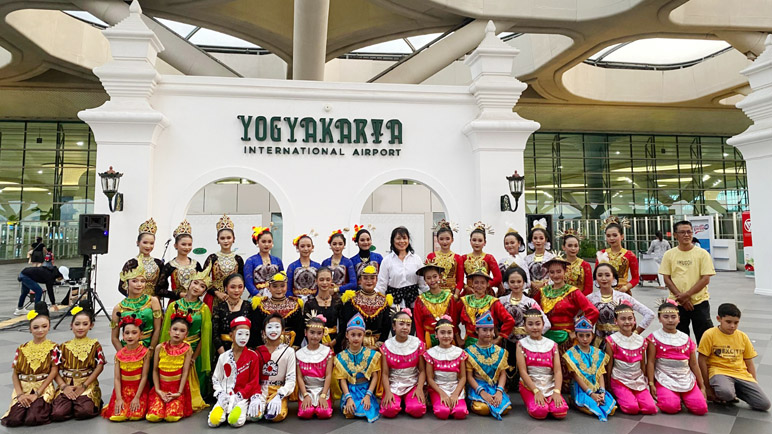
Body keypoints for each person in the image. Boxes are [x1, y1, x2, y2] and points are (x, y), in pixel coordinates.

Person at [698, 303, 771, 411]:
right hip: (719, 372)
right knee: (726, 393)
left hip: (741, 374)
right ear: (719, 319)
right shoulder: (709, 334)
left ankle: (731, 391)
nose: (732, 326)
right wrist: (706, 387)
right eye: (728, 322)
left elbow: (749, 361)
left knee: (764, 404)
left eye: (736, 323)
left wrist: (754, 383)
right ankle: (726, 391)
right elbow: (701, 360)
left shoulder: (742, 336)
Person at [160, 266, 212, 411]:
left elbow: (204, 336)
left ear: (204, 291)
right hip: (173, 349)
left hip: (194, 348)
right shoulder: (174, 306)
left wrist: (194, 357)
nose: (197, 287)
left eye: (202, 286)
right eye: (195, 283)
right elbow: (166, 332)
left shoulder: (204, 309)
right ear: (188, 284)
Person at [1, 303, 60, 427]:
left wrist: (37, 393)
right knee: (13, 420)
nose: (40, 330)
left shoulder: (54, 347)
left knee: (33, 418)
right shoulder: (22, 348)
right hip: (24, 387)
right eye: (36, 327)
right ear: (30, 329)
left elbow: (54, 371)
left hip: (42, 388)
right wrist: (20, 394)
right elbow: (15, 374)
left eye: (44, 326)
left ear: (49, 327)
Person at [646, 299, 708, 415]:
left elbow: (693, 364)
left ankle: (684, 396)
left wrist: (702, 385)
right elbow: (650, 362)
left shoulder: (685, 338)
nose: (670, 320)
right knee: (670, 407)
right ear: (659, 319)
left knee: (701, 409)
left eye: (673, 317)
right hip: (665, 377)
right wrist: (651, 383)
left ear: (679, 318)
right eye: (666, 317)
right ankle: (673, 397)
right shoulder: (654, 338)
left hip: (685, 378)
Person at [659, 220, 715, 344]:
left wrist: (687, 295)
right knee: (678, 338)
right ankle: (683, 362)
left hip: (700, 302)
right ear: (675, 235)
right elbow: (667, 278)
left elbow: (705, 278)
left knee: (705, 338)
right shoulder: (669, 254)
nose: (686, 235)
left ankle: (704, 363)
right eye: (682, 232)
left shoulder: (702, 254)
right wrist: (681, 299)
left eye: (689, 232)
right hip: (677, 303)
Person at [51, 301, 105, 421]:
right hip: (67, 384)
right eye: (77, 324)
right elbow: (55, 370)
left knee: (84, 412)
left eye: (85, 324)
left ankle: (85, 402)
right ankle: (72, 403)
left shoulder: (95, 345)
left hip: (87, 383)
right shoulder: (63, 346)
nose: (81, 327)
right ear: (71, 325)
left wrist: (84, 386)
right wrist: (63, 386)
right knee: (58, 414)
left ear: (91, 325)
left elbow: (99, 366)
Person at [208, 316, 265, 427]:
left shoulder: (253, 356)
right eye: (240, 334)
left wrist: (239, 396)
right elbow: (216, 379)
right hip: (225, 396)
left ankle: (245, 411)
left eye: (247, 334)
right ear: (231, 335)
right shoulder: (224, 357)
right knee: (213, 422)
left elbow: (253, 382)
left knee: (234, 421)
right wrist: (220, 394)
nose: (243, 338)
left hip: (241, 398)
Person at [498, 267, 550, 384]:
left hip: (526, 343)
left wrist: (533, 334)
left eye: (519, 281)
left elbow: (546, 323)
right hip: (506, 342)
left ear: (525, 283)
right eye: (512, 282)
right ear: (506, 283)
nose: (516, 285)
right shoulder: (501, 301)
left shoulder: (530, 302)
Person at [587, 261, 655, 349]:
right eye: (600, 275)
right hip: (597, 343)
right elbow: (576, 316)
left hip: (621, 341)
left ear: (614, 278)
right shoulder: (590, 298)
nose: (603, 278)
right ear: (595, 279)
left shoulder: (623, 297)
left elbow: (650, 314)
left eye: (607, 275)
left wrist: (635, 333)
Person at [605, 303, 657, 415]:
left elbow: (643, 363)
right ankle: (624, 397)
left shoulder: (641, 341)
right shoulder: (612, 340)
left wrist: (646, 381)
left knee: (651, 408)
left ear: (634, 320)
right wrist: (608, 385)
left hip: (637, 379)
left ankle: (634, 396)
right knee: (631, 408)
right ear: (616, 321)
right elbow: (609, 365)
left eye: (630, 318)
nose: (627, 322)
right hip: (619, 379)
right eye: (623, 319)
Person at [516, 308, 568, 420]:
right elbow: (523, 372)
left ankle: (548, 402)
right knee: (540, 412)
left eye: (538, 324)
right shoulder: (521, 344)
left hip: (550, 384)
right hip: (530, 385)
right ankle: (533, 402)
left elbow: (558, 371)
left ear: (543, 324)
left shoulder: (552, 344)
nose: (534, 327)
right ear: (524, 326)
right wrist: (536, 391)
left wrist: (557, 391)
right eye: (530, 324)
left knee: (560, 412)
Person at [562, 317, 617, 421]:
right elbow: (576, 376)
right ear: (576, 336)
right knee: (593, 408)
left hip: (596, 387)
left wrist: (602, 392)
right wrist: (591, 394)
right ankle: (574, 400)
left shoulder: (598, 352)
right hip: (581, 389)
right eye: (581, 335)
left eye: (588, 335)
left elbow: (600, 373)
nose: (585, 339)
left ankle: (597, 398)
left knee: (610, 407)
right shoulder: (570, 354)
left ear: (592, 336)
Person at [146, 311, 194, 422]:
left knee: (172, 417)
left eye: (182, 331)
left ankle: (175, 402)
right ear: (169, 331)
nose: (177, 333)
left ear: (186, 335)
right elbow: (155, 370)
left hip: (176, 389)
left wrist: (179, 392)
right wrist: (158, 390)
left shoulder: (187, 349)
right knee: (153, 417)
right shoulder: (159, 347)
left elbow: (185, 372)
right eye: (175, 329)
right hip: (161, 388)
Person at [102, 314, 152, 421]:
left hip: (139, 390)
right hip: (122, 390)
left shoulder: (145, 353)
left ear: (141, 335)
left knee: (136, 415)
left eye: (134, 333)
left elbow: (144, 377)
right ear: (123, 335)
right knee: (118, 416)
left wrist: (137, 397)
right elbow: (117, 378)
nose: (130, 336)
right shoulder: (119, 355)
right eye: (127, 333)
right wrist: (119, 398)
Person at [334, 313, 382, 423]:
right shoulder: (341, 357)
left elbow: (374, 377)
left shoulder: (371, 355)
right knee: (350, 410)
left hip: (366, 390)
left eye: (359, 335)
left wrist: (368, 395)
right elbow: (342, 380)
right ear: (347, 335)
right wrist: (348, 397)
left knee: (365, 409)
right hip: (350, 390)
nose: (356, 338)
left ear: (364, 335)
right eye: (353, 335)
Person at [380, 309, 427, 418]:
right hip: (394, 384)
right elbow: (385, 373)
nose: (405, 327)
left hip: (412, 384)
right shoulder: (386, 346)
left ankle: (408, 401)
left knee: (417, 410)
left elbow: (422, 370)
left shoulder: (417, 344)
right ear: (394, 326)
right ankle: (399, 401)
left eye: (408, 324)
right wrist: (387, 392)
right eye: (401, 324)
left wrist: (419, 388)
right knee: (389, 411)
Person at [465, 311, 511, 420]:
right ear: (477, 330)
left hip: (495, 387)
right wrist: (482, 393)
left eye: (490, 330)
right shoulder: (470, 351)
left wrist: (499, 391)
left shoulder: (500, 351)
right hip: (478, 386)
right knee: (482, 408)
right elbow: (469, 376)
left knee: (506, 408)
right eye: (484, 330)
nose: (488, 333)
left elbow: (503, 374)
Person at [423, 316, 468, 420]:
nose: (446, 336)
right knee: (443, 412)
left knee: (460, 413)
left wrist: (455, 394)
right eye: (442, 333)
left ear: (453, 334)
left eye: (449, 332)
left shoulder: (459, 353)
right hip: (438, 388)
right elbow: (429, 378)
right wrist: (442, 394)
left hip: (455, 387)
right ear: (436, 335)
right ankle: (436, 400)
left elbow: (463, 377)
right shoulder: (430, 353)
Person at [111, 260, 163, 351]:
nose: (139, 285)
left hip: (149, 347)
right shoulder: (118, 308)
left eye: (142, 281)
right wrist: (123, 354)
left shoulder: (152, 301)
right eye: (134, 281)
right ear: (126, 283)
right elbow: (114, 338)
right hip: (128, 349)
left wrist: (151, 349)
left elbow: (158, 329)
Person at [340, 265, 393, 351]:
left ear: (376, 280)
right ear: (360, 280)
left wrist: (378, 344)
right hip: (354, 344)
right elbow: (344, 325)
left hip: (376, 346)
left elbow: (386, 326)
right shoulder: (351, 300)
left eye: (372, 278)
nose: (369, 281)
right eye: (365, 278)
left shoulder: (384, 301)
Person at [458, 269, 514, 348]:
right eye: (476, 282)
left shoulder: (493, 302)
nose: (479, 285)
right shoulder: (465, 300)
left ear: (487, 284)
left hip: (488, 342)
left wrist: (499, 338)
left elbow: (509, 320)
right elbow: (453, 319)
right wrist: (458, 338)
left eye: (482, 282)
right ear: (472, 284)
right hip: (470, 342)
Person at [257, 314, 297, 422]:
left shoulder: (289, 352)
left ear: (283, 331)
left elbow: (291, 379)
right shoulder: (258, 351)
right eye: (269, 327)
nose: (273, 330)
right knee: (254, 415)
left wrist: (280, 395)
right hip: (261, 391)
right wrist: (255, 396)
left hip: (278, 390)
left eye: (277, 327)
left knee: (276, 415)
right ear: (264, 331)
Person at [375, 226, 427, 308]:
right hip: (394, 304)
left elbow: (422, 284)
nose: (402, 241)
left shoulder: (416, 259)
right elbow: (382, 285)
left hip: (413, 303)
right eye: (398, 238)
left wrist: (436, 294)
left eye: (404, 238)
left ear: (408, 240)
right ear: (393, 241)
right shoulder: (387, 260)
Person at [250, 271, 304, 348]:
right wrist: (261, 348)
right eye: (275, 286)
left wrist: (295, 346)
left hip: (290, 347)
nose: (279, 289)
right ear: (269, 288)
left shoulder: (295, 304)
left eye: (282, 286)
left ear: (287, 287)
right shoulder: (261, 305)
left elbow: (300, 329)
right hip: (265, 347)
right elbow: (255, 329)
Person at [413, 259, 459, 348]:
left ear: (440, 277)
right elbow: (418, 323)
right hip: (428, 337)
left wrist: (454, 336)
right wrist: (422, 343)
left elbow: (454, 320)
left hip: (446, 337)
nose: (432, 280)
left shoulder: (449, 297)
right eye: (428, 278)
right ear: (425, 281)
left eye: (435, 276)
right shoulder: (420, 299)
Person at [296, 315, 335, 419]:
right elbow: (299, 377)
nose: (315, 336)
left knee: (324, 413)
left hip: (322, 389)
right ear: (306, 333)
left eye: (319, 333)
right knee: (305, 413)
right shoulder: (299, 354)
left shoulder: (328, 353)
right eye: (312, 332)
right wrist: (305, 395)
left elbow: (328, 375)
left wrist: (323, 395)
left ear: (323, 334)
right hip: (307, 389)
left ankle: (326, 401)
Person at [203, 214, 245, 310]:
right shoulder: (212, 258)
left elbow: (243, 280)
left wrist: (235, 293)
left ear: (233, 239)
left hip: (234, 298)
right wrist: (217, 293)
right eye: (222, 238)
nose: (226, 241)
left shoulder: (238, 259)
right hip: (213, 298)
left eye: (228, 238)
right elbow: (204, 279)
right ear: (218, 240)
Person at [118, 218, 166, 298]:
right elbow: (121, 287)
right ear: (138, 242)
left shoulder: (159, 263)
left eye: (151, 243)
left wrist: (155, 300)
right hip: (135, 304)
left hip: (153, 304)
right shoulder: (131, 263)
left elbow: (162, 287)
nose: (148, 246)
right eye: (145, 242)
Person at [212, 274, 253, 361]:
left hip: (244, 352)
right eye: (232, 287)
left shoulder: (249, 306)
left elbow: (253, 332)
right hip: (223, 352)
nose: (236, 290)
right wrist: (224, 356)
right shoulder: (219, 307)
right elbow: (215, 334)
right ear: (226, 288)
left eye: (240, 287)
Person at [159, 219, 202, 301]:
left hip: (195, 303)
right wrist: (179, 294)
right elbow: (160, 290)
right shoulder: (170, 266)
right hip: (176, 304)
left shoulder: (196, 264)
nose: (187, 247)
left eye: (189, 244)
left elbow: (204, 283)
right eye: (183, 244)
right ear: (175, 245)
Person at [595, 216, 639, 294]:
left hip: (623, 293)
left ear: (622, 236)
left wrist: (625, 287)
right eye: (608, 236)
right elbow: (596, 276)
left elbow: (635, 278)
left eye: (615, 235)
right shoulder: (601, 254)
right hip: (605, 292)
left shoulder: (630, 255)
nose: (611, 238)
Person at [303, 267, 341, 348]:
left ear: (332, 281)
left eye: (328, 279)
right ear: (316, 281)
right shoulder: (309, 304)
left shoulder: (338, 302)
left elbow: (343, 326)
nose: (325, 282)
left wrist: (334, 342)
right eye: (321, 279)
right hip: (315, 344)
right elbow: (305, 328)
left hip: (335, 344)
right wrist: (319, 343)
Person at [426, 220, 464, 297]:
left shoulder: (458, 258)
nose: (444, 242)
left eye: (447, 239)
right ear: (438, 240)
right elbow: (427, 277)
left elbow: (460, 281)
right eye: (442, 239)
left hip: (452, 295)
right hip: (434, 293)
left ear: (452, 240)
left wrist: (456, 295)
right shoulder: (431, 256)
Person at [462, 222, 502, 296]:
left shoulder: (489, 258)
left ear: (485, 242)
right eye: (474, 240)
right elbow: (459, 277)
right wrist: (466, 287)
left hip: (486, 292)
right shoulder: (464, 258)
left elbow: (498, 278)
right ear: (470, 241)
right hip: (469, 292)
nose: (477, 243)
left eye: (480, 240)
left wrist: (485, 286)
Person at [244, 226, 284, 297]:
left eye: (269, 241)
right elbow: (248, 282)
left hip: (275, 296)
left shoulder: (277, 260)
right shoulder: (251, 261)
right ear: (257, 242)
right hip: (257, 296)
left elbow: (283, 279)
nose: (266, 244)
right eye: (263, 241)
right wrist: (257, 294)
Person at [286, 233, 320, 299]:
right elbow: (288, 288)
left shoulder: (317, 266)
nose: (306, 249)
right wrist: (293, 300)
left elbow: (320, 287)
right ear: (297, 247)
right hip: (296, 302)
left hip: (314, 301)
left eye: (308, 246)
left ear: (312, 247)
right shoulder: (292, 267)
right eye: (302, 246)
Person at [524, 223, 555, 294]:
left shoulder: (552, 258)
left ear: (546, 239)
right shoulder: (527, 259)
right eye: (535, 238)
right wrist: (532, 284)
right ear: (531, 240)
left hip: (548, 293)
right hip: (532, 293)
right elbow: (525, 276)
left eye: (541, 238)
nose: (538, 241)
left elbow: (555, 276)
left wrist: (544, 284)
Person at [562, 231, 592, 296]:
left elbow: (589, 289)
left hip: (581, 300)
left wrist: (579, 299)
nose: (573, 248)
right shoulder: (559, 264)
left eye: (576, 246)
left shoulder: (585, 265)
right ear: (563, 247)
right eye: (570, 246)